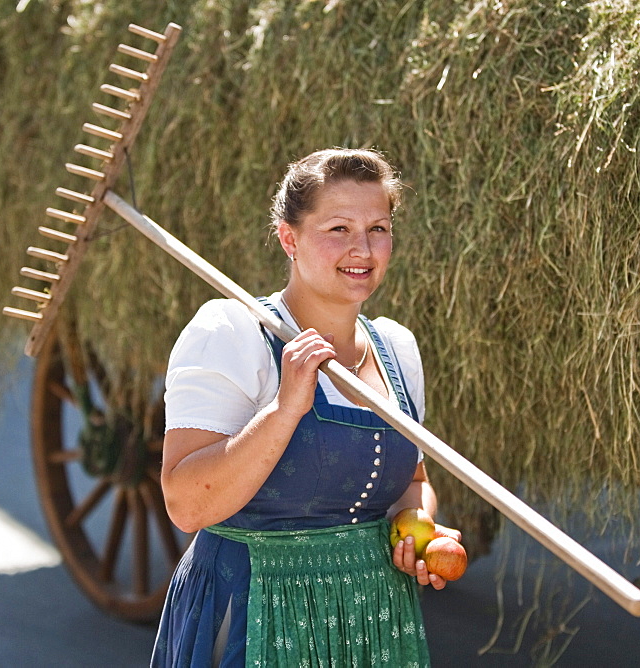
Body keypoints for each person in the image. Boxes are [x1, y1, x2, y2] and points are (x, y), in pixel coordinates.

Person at [151, 148, 460, 667]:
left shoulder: (397, 348)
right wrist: (285, 409)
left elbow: (414, 479)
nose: (362, 248)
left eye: (378, 228)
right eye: (338, 228)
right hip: (258, 615)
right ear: (288, 239)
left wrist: (416, 526)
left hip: (373, 620)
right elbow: (185, 504)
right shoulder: (233, 333)